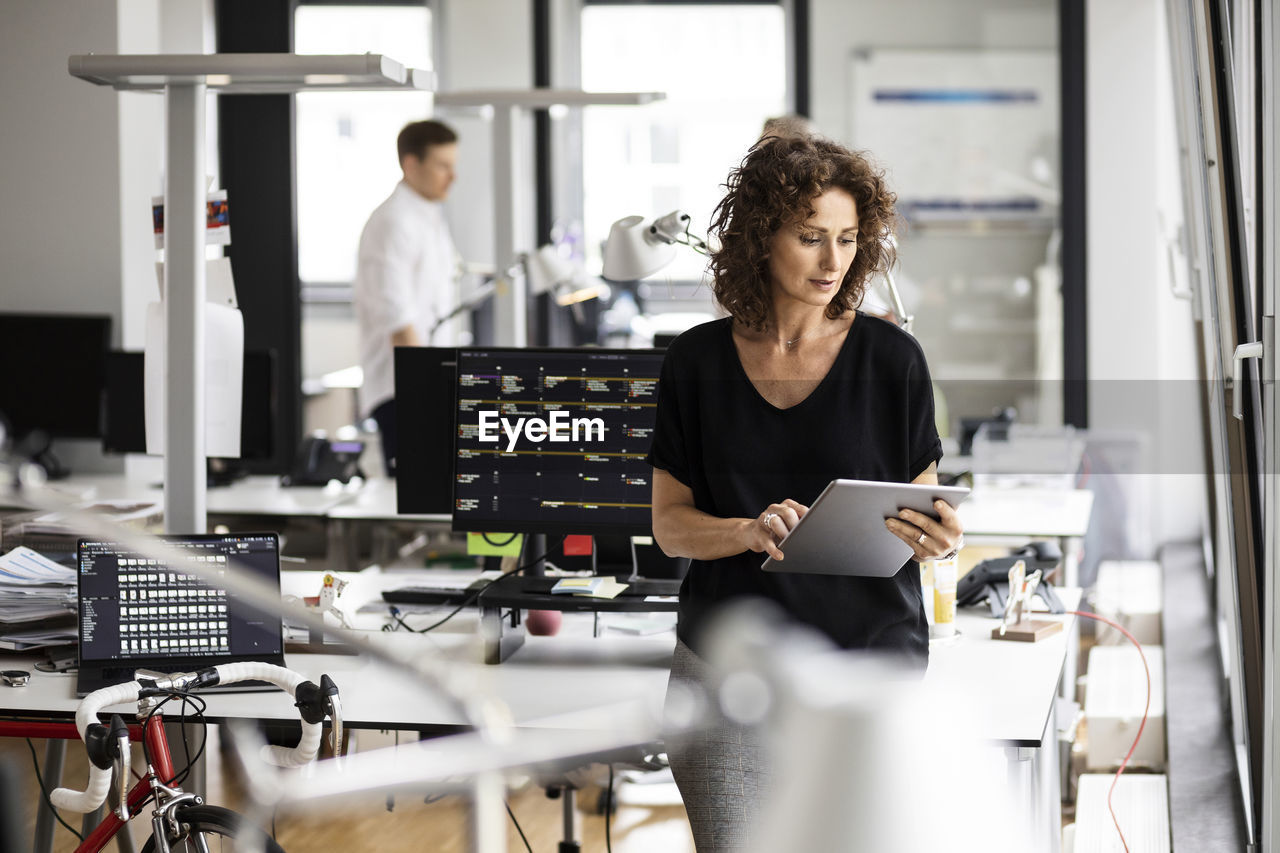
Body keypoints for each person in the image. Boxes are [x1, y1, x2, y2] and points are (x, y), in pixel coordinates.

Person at [646, 135, 964, 851]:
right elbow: (669, 525)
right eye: (811, 236)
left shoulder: (893, 360)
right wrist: (746, 531)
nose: (834, 261)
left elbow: (923, 505)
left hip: (868, 667)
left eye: (849, 239)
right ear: (761, 238)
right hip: (729, 671)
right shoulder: (695, 362)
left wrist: (939, 538)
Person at [354, 119, 461, 474]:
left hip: (428, 385)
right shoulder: (393, 222)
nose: (453, 177)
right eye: (443, 166)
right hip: (405, 392)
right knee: (411, 503)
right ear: (411, 164)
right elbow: (398, 322)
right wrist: (426, 400)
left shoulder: (428, 216)